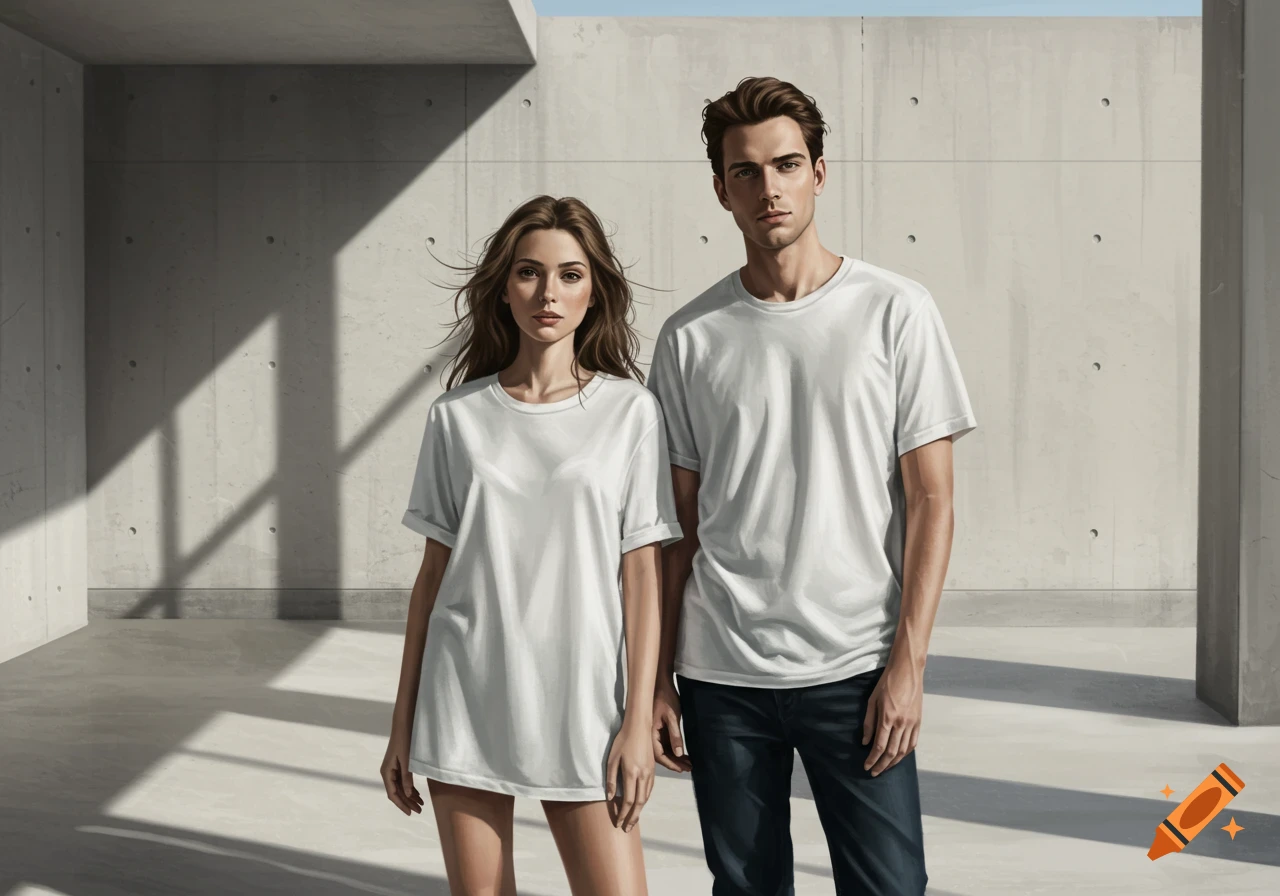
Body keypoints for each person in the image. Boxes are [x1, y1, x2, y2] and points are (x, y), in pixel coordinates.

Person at [646, 77, 978, 896]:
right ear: (722, 189)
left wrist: (909, 662)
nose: (770, 188)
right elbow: (674, 527)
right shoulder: (690, 337)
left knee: (891, 887)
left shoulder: (896, 311)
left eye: (786, 165)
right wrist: (654, 677)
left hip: (857, 666)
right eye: (747, 172)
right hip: (722, 673)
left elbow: (932, 500)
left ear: (819, 174)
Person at [380, 195, 683, 896]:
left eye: (570, 275)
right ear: (504, 287)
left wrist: (637, 723)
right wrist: (402, 728)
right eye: (529, 273)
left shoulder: (628, 413)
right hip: (467, 697)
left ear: (594, 291)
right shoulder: (457, 417)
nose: (549, 293)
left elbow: (642, 575)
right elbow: (433, 581)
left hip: (582, 705)